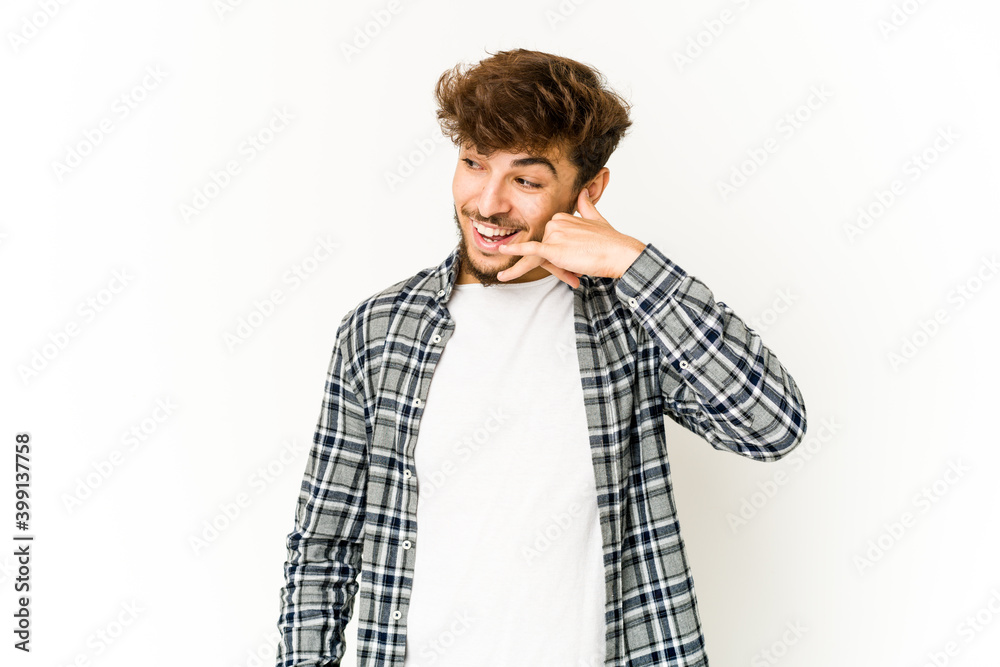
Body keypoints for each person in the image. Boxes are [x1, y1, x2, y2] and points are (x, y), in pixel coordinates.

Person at [275, 48, 807, 667]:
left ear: (590, 189)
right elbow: (324, 543)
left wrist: (632, 264)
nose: (488, 203)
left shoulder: (629, 320)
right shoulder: (380, 329)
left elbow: (772, 427)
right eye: (474, 164)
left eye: (526, 181)